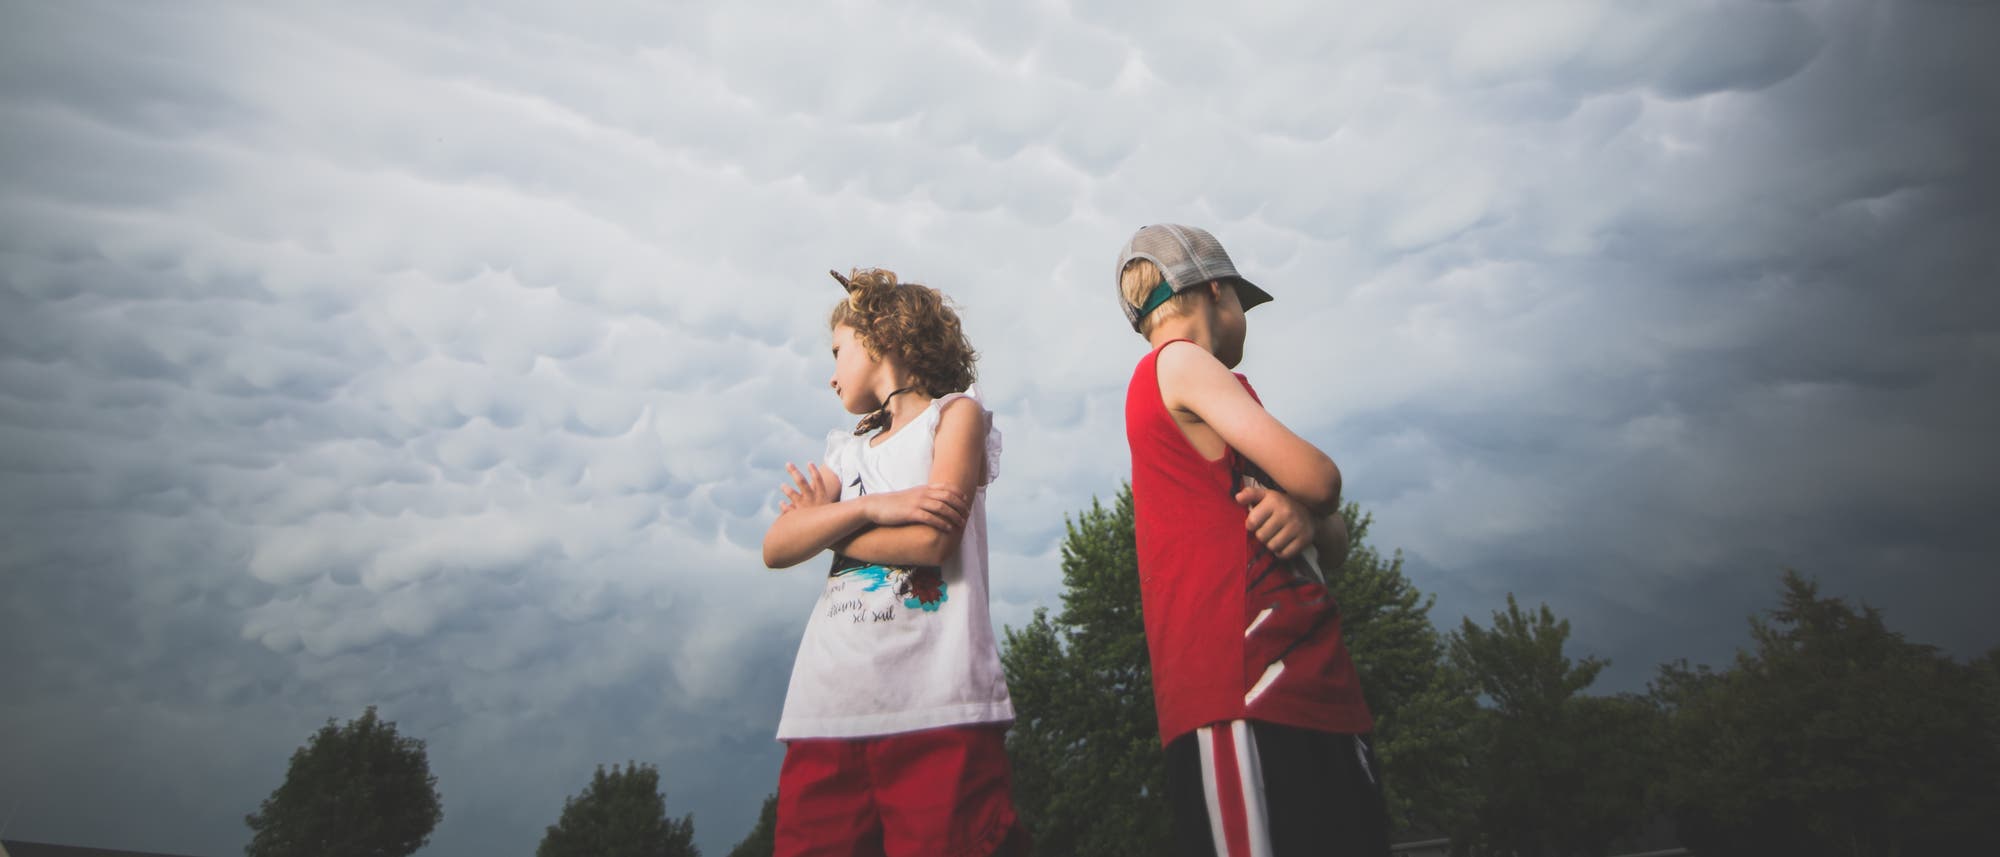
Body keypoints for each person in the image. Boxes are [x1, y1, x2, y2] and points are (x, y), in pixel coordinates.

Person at [1116, 224, 1388, 856]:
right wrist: (1312, 503)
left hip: (1313, 689)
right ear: (1217, 292)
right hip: (1242, 688)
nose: (1244, 319)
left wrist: (1307, 519)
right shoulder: (1179, 363)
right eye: (1241, 302)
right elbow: (1321, 479)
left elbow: (1332, 535)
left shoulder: (1225, 396)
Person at [762, 267, 1023, 857]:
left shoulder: (955, 415)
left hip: (938, 705)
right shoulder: (845, 449)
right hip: (825, 711)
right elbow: (777, 546)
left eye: (836, 352)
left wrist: (829, 525)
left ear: (882, 335)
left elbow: (932, 543)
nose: (830, 376)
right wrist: (882, 508)